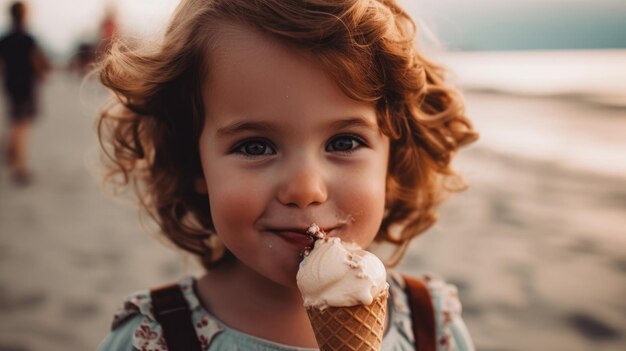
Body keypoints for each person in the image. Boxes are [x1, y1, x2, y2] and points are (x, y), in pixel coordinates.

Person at [96, 0, 478, 350]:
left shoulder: (432, 326)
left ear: (393, 159)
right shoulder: (154, 338)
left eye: (344, 142)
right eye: (255, 146)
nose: (305, 189)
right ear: (194, 163)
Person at [0, 1, 49, 185]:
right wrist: (42, 74)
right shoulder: (28, 38)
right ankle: (19, 168)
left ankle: (11, 150)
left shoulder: (4, 39)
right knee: (22, 126)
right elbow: (38, 62)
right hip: (26, 87)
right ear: (24, 15)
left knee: (14, 122)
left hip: (10, 85)